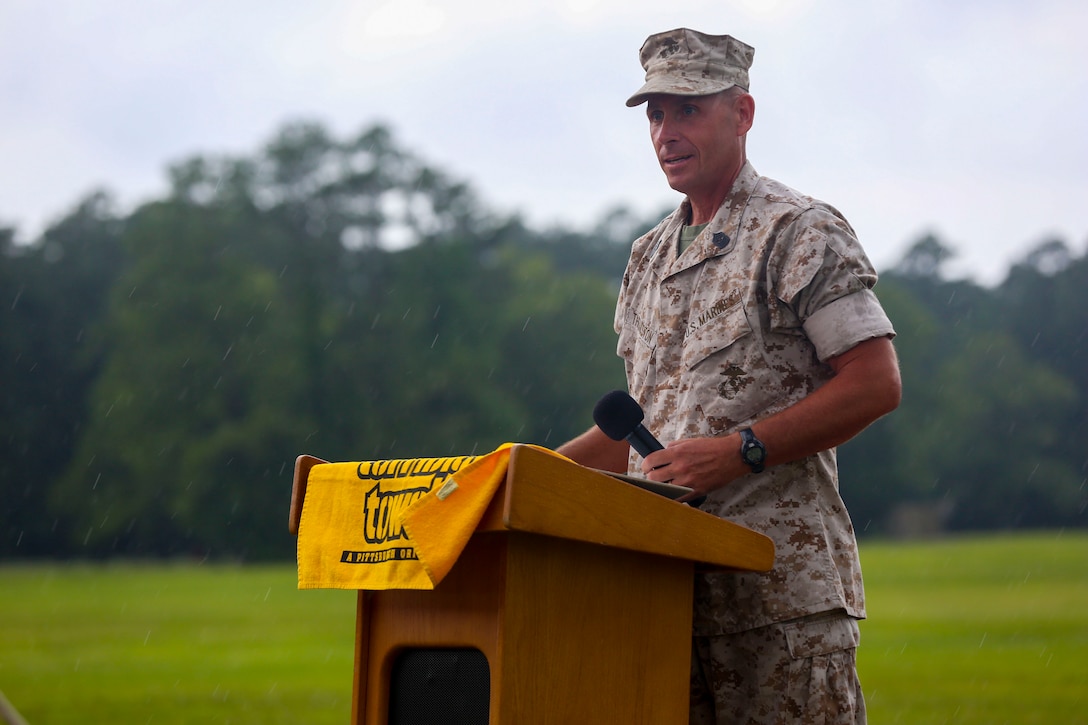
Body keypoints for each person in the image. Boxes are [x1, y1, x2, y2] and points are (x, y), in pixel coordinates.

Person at [557, 28, 902, 724]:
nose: (666, 132)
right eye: (655, 113)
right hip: (663, 600)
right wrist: (520, 475)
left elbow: (874, 382)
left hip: (779, 604)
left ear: (741, 114)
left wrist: (740, 449)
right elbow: (640, 428)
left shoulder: (798, 230)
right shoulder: (647, 256)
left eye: (688, 109)